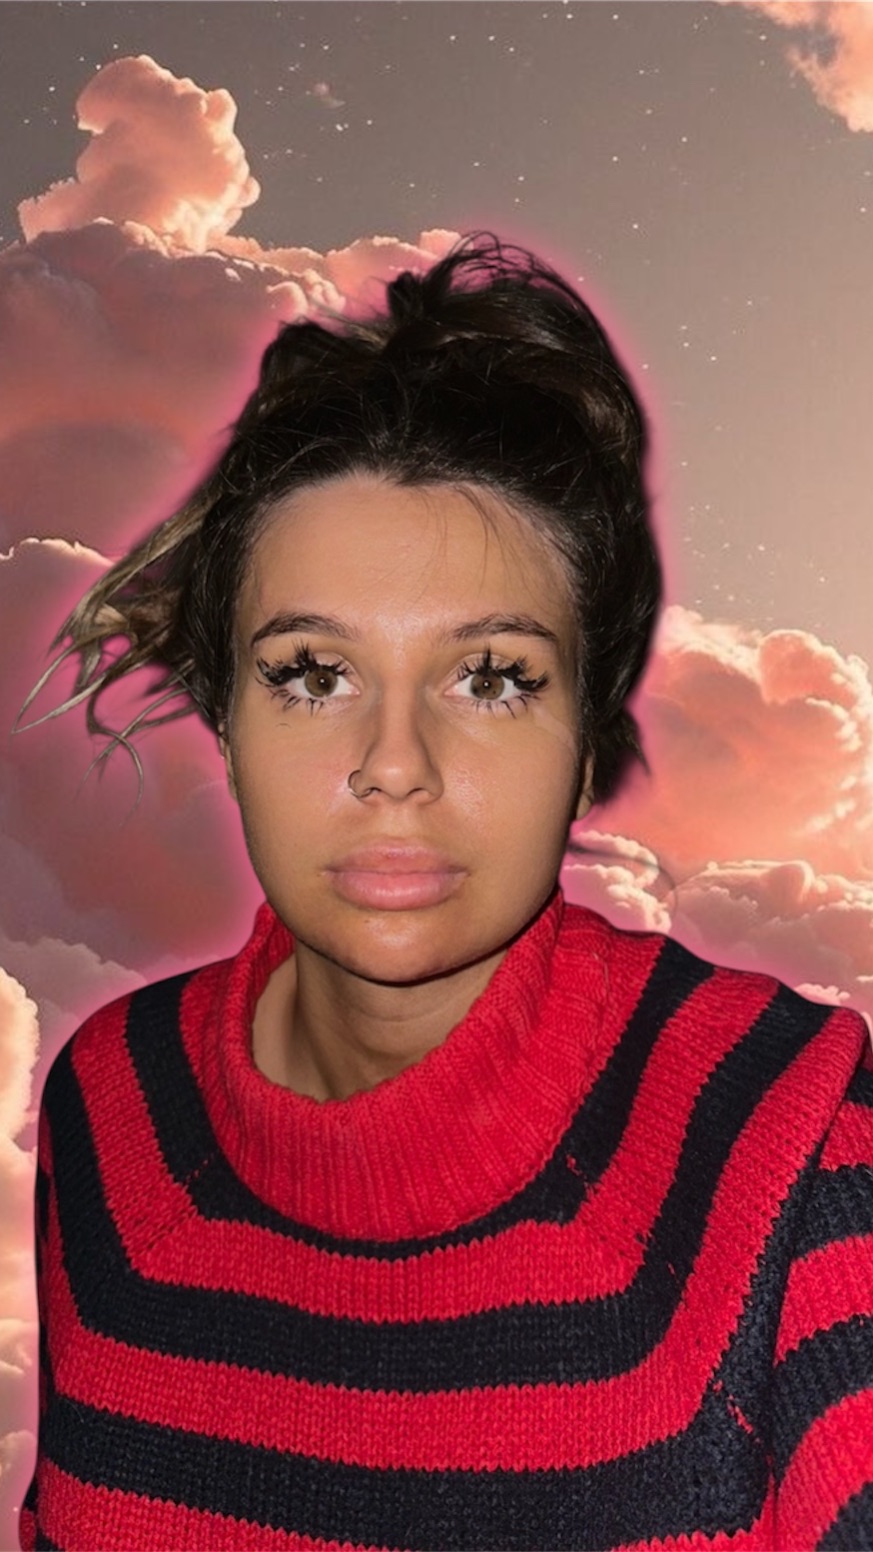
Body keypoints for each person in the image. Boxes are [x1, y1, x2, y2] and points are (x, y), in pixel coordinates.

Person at [19, 234, 873, 1552]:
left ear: (586, 738)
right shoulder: (112, 1104)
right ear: (225, 717)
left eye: (492, 678)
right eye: (313, 674)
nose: (395, 765)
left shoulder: (798, 1151)